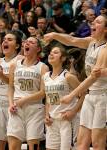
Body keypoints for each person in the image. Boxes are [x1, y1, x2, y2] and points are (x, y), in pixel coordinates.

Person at [43, 14, 107, 150]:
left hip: (103, 97)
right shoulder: (91, 42)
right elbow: (71, 39)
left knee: (97, 143)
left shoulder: (105, 49)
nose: (93, 23)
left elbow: (93, 77)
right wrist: (54, 35)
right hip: (90, 96)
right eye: (93, 21)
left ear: (106, 29)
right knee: (81, 144)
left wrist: (71, 95)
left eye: (98, 22)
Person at [13, 43, 84, 150]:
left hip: (67, 120)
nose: (51, 54)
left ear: (63, 58)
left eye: (55, 53)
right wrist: (46, 115)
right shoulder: (46, 76)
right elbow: (48, 100)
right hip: (52, 121)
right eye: (50, 53)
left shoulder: (68, 76)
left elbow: (85, 94)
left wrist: (73, 111)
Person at [7, 36, 49, 150]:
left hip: (34, 109)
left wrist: (24, 100)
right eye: (26, 42)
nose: (27, 43)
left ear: (38, 48)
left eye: (31, 42)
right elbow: (10, 87)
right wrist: (11, 104)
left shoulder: (43, 67)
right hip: (16, 108)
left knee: (33, 146)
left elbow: (43, 92)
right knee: (13, 146)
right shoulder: (14, 65)